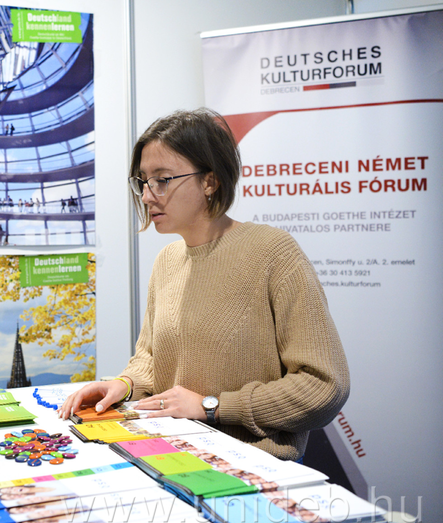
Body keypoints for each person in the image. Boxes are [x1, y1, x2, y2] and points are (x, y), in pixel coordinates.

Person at [59, 108, 349, 461]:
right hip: (171, 456)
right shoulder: (167, 260)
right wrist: (124, 384)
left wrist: (213, 406)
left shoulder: (273, 253)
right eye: (143, 181)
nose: (147, 196)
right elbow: (152, 358)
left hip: (250, 468)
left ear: (209, 182)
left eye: (162, 180)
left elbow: (323, 386)